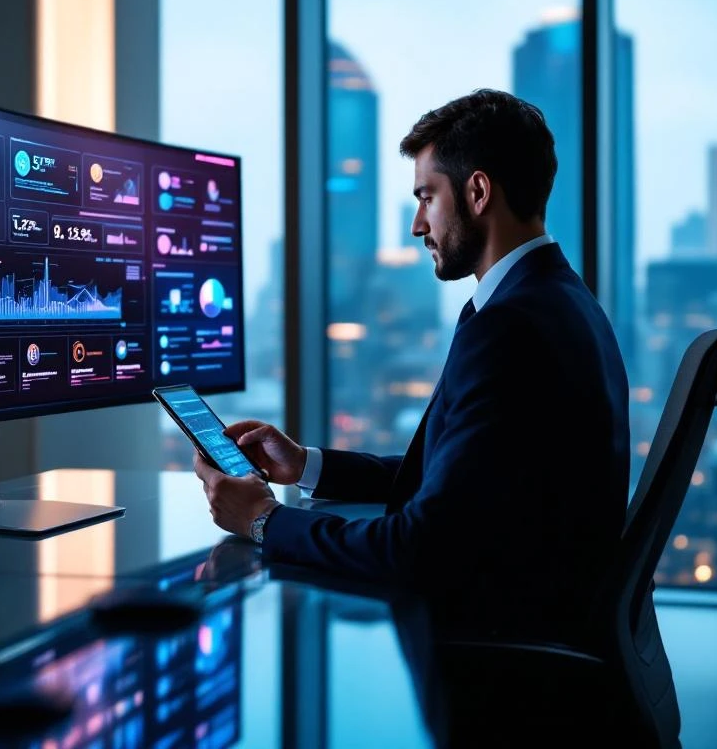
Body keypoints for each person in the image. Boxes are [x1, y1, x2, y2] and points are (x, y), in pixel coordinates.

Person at [193, 89, 630, 642]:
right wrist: (306, 465)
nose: (417, 225)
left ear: (477, 192)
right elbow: (456, 474)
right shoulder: (557, 300)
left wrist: (263, 519)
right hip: (533, 627)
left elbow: (419, 547)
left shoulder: (511, 326)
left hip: (501, 655)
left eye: (427, 197)